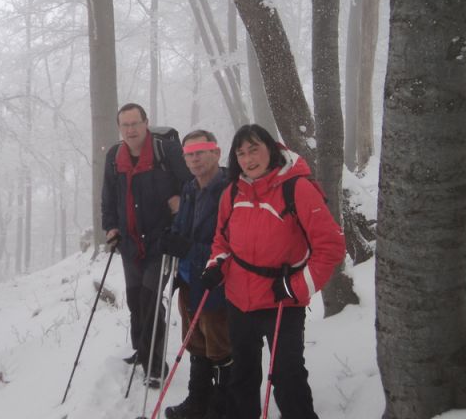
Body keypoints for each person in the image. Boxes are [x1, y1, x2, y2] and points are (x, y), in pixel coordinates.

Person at [201, 124, 346, 419]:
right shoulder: (232, 192)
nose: (247, 158)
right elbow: (221, 240)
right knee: (242, 374)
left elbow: (330, 246)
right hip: (239, 298)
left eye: (254, 149)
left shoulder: (298, 187)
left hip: (282, 299)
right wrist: (216, 265)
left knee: (287, 377)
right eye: (240, 153)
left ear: (271, 149)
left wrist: (296, 286)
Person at [101, 103, 192, 388]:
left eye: (135, 124)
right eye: (124, 125)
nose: (130, 130)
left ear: (146, 123)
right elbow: (108, 194)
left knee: (150, 302)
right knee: (134, 301)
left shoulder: (167, 152)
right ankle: (141, 349)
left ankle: (155, 367)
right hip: (129, 242)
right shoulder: (115, 156)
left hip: (161, 241)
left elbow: (190, 184)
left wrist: (180, 202)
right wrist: (111, 226)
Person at [159, 130, 232, 419]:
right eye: (189, 154)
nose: (194, 158)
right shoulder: (190, 188)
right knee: (196, 344)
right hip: (189, 280)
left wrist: (188, 248)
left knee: (221, 348)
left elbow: (229, 248)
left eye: (201, 151)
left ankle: (222, 407)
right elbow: (184, 229)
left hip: (217, 283)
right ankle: (198, 402)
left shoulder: (230, 190)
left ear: (216, 152)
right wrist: (172, 237)